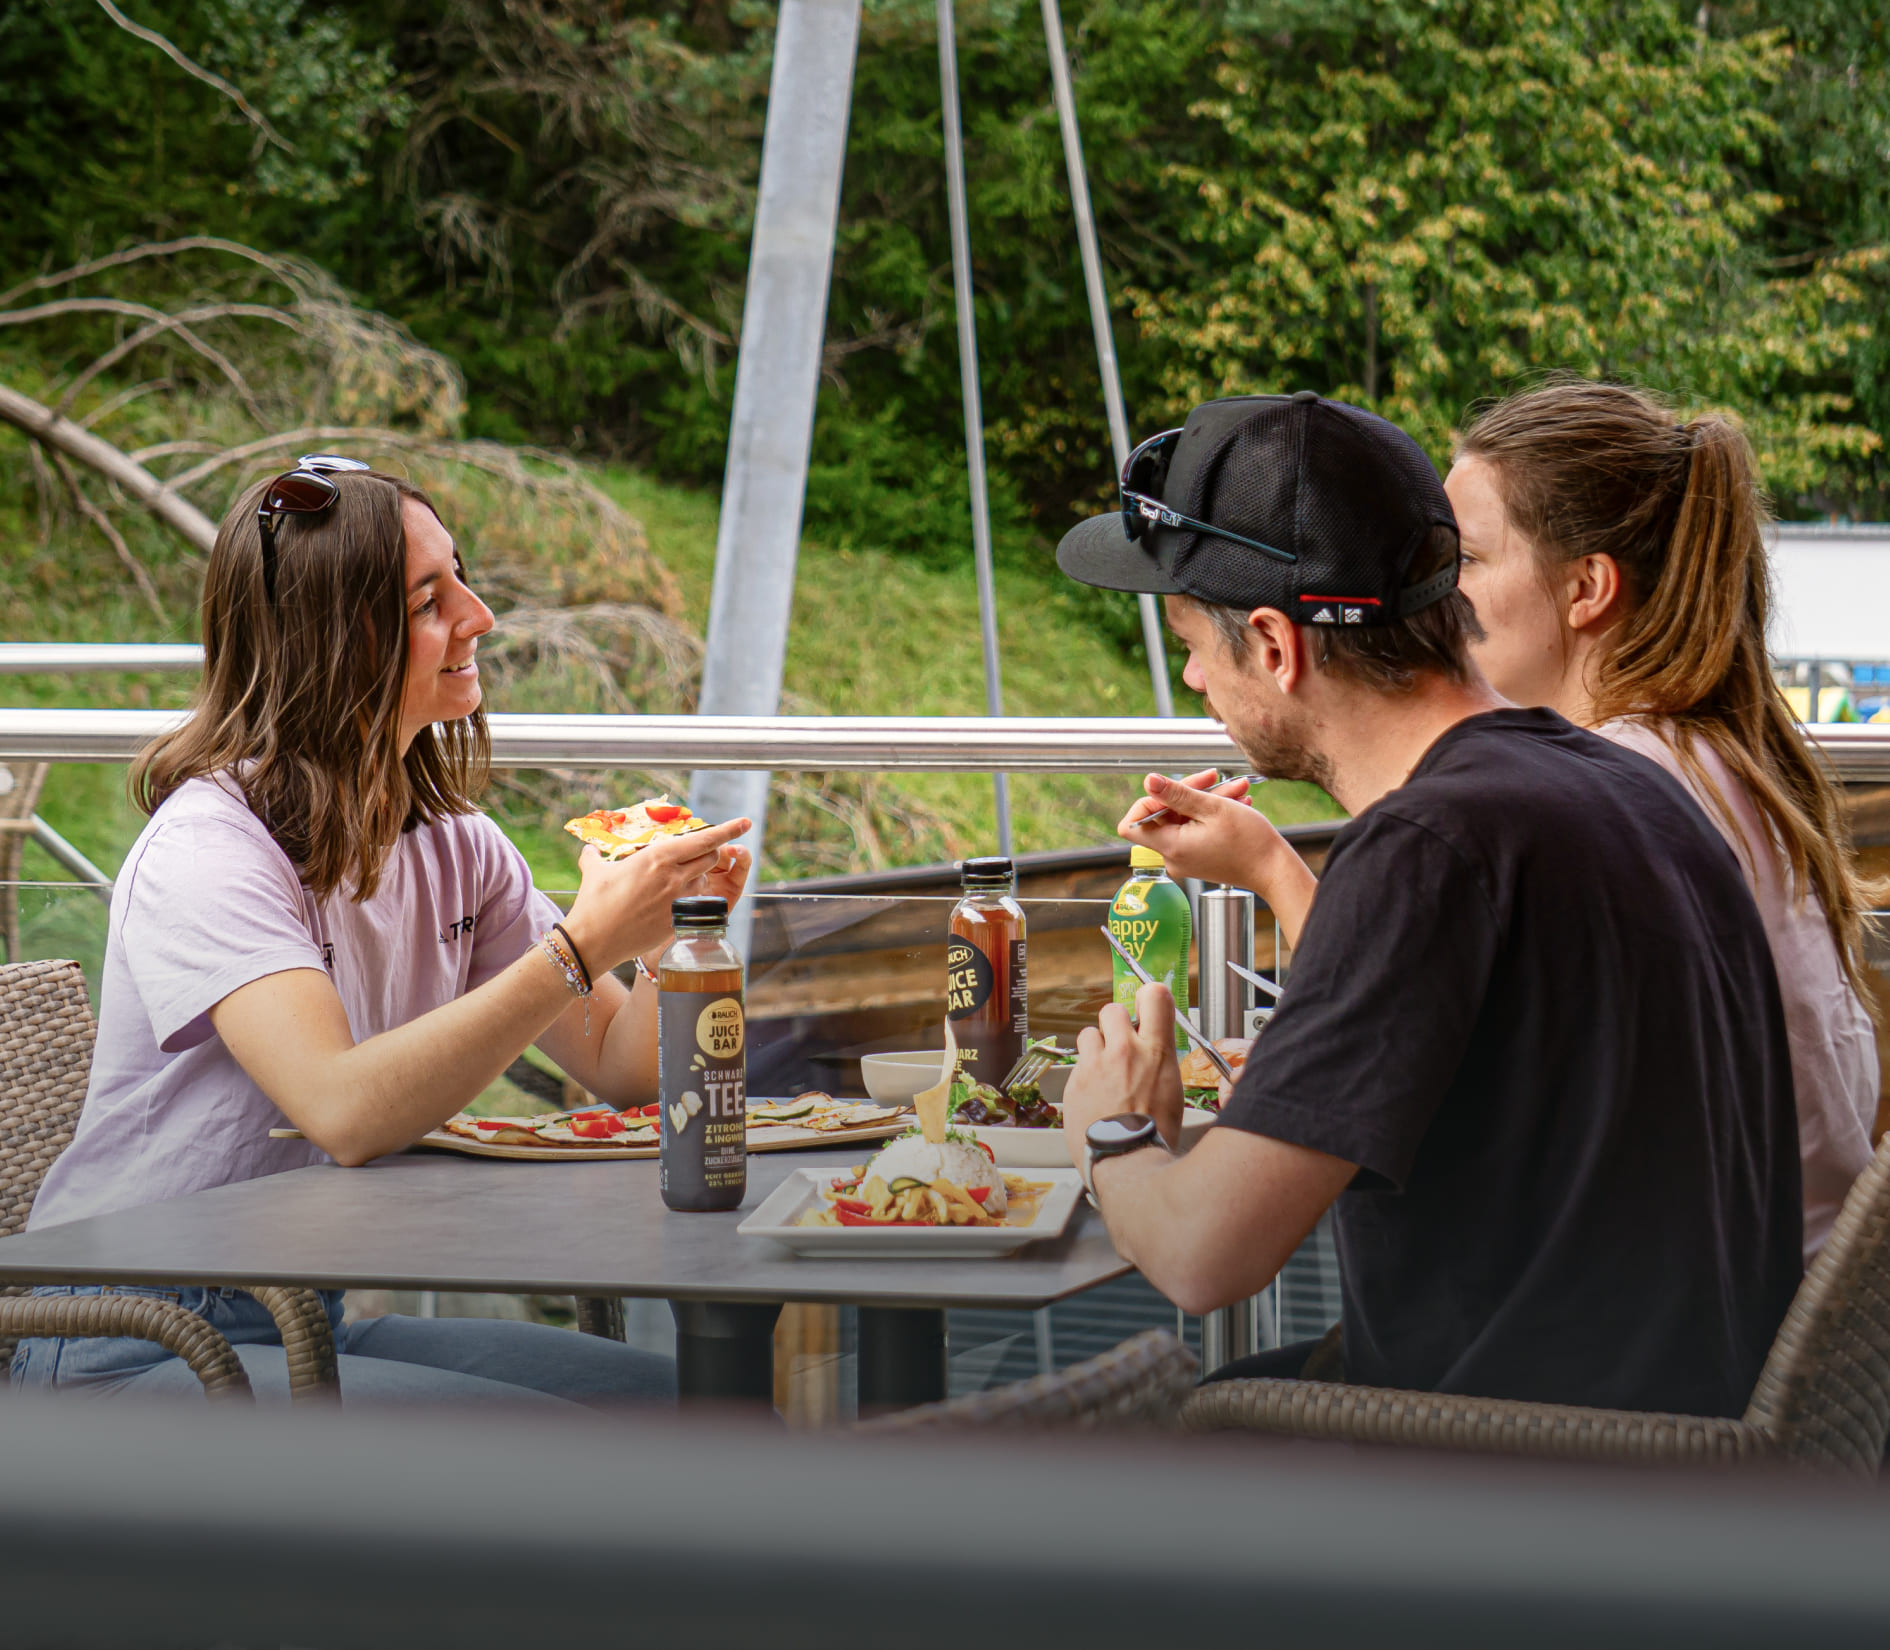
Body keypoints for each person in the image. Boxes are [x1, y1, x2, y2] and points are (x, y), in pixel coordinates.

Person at [1055, 392, 1801, 1415]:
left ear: (1274, 645)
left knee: (1092, 1461)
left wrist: (1113, 1134)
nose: (1194, 678)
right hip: (1679, 1453)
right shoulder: (1620, 787)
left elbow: (1203, 1255)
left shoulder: (1429, 847)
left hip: (1514, 1487)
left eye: (1191, 645)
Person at [13, 456, 751, 1407]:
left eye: (462, 582)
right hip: (127, 1333)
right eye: (431, 600)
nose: (479, 616)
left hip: (302, 1316)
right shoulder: (207, 849)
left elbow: (621, 1063)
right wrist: (578, 949)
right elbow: (342, 1110)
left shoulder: (454, 848)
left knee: (692, 1412)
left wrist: (670, 941)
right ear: (336, 640)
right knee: (572, 1453)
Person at [1447, 377, 1879, 1262]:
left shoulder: (1618, 790)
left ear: (1586, 589)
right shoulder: (1719, 761)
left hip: (1695, 1349)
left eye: (1466, 561)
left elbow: (1432, 1068)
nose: (1436, 593)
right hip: (1805, 1324)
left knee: (1226, 1391)